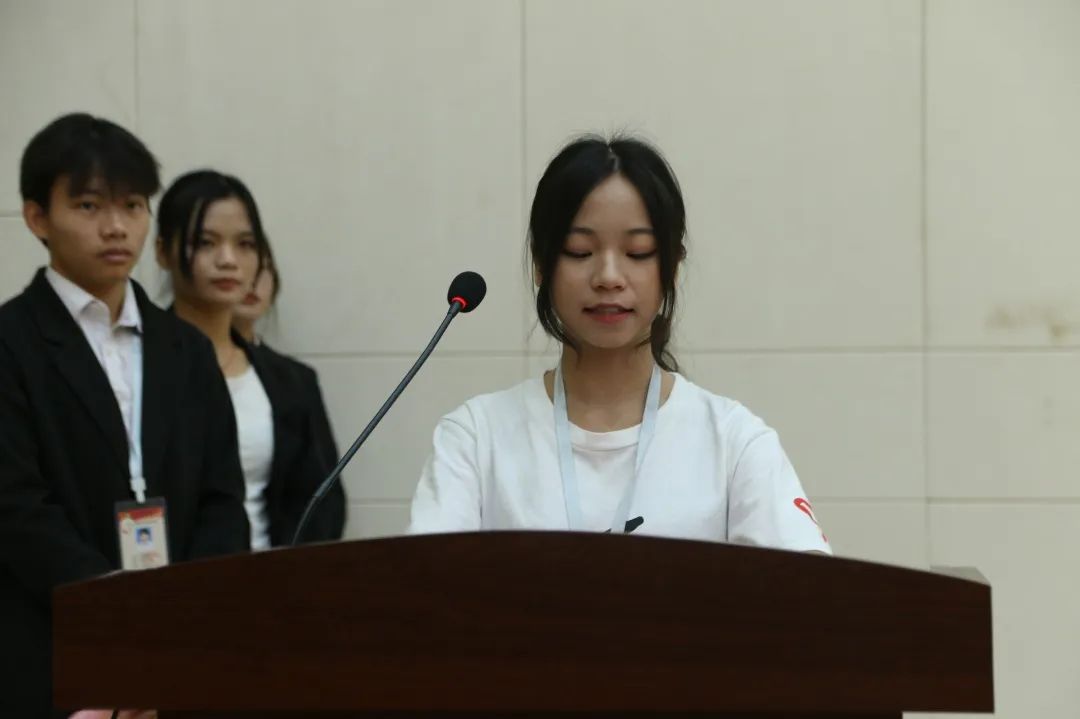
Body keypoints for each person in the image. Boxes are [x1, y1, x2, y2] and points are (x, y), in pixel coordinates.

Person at [408, 135, 830, 552]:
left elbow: (811, 587)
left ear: (672, 267)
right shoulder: (475, 438)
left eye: (638, 251)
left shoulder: (734, 443)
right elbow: (419, 586)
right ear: (541, 263)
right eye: (579, 251)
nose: (608, 277)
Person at [0, 113, 250, 718]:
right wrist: (117, 605)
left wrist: (188, 606)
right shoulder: (11, 342)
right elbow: (15, 506)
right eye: (88, 206)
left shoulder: (186, 348)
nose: (116, 227)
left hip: (181, 649)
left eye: (133, 206)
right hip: (50, 646)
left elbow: (222, 497)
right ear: (37, 217)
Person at [156, 171, 345, 548]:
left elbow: (320, 505)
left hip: (271, 578)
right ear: (163, 251)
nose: (228, 260)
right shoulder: (137, 363)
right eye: (205, 243)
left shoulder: (288, 381)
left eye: (245, 244)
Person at [231, 246, 346, 539]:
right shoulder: (176, 362)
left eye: (264, 270)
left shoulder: (297, 380)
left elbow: (325, 492)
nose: (253, 283)